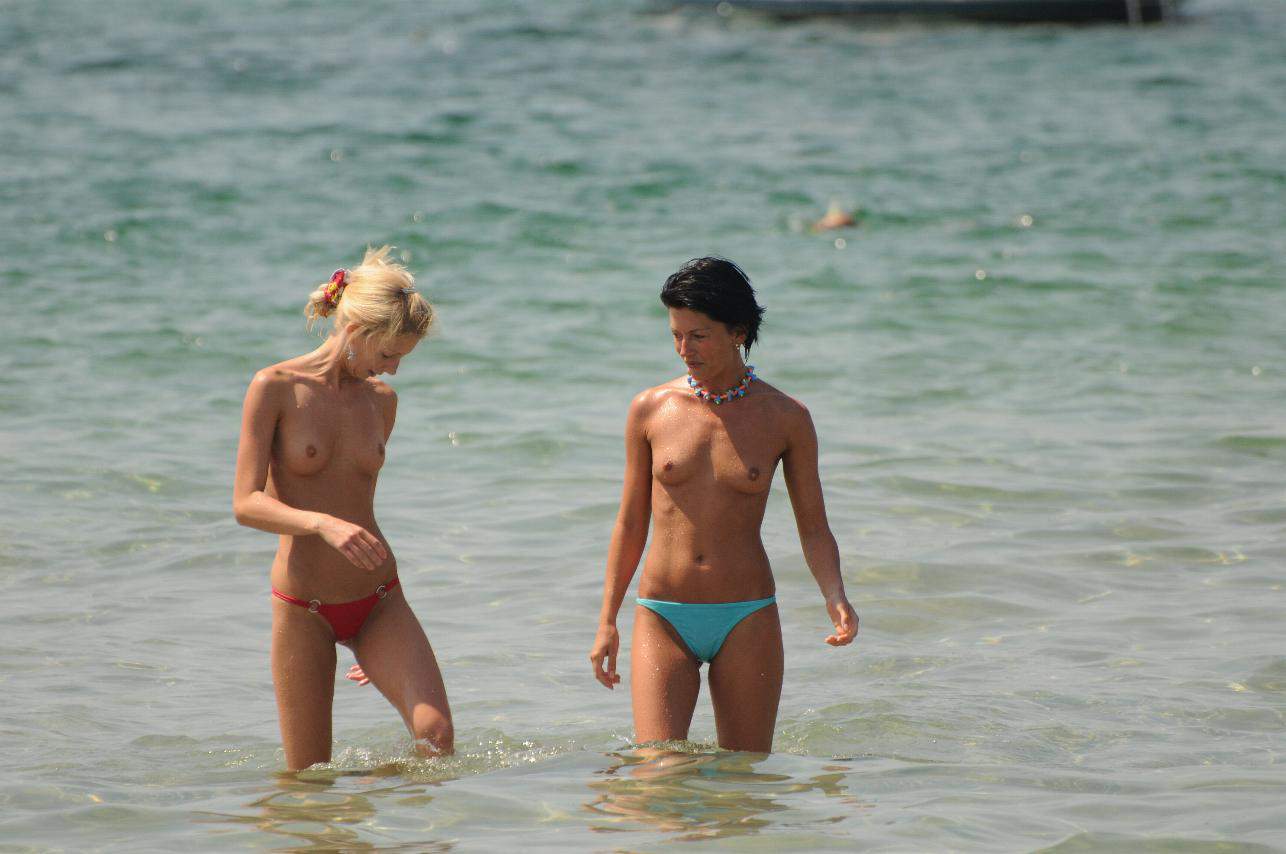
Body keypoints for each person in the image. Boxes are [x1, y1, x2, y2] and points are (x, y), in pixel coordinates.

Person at [588, 257, 858, 753]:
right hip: (663, 613)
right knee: (658, 771)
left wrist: (834, 595)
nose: (684, 349)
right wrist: (607, 619)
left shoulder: (786, 417)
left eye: (699, 336)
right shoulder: (650, 409)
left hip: (747, 614)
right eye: (676, 335)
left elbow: (814, 527)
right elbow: (630, 522)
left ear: (738, 331)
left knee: (744, 775)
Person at [233, 246, 453, 770]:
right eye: (389, 354)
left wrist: (380, 653)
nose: (394, 369)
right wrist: (321, 524)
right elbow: (246, 504)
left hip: (379, 601)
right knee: (308, 778)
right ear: (356, 331)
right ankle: (350, 814)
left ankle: (384, 803)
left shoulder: (381, 402)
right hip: (303, 607)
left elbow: (356, 495)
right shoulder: (275, 388)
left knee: (436, 740)